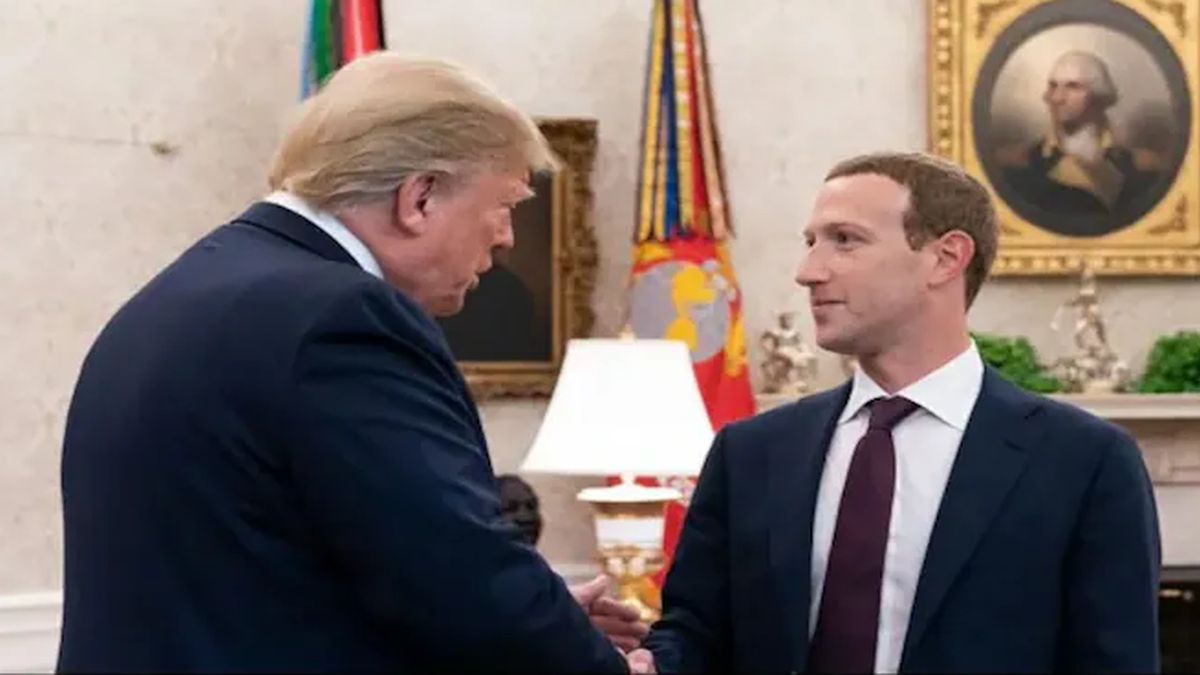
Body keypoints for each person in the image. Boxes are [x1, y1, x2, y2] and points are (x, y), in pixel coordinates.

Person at [58, 52, 645, 672]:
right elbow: (453, 570)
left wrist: (539, 622)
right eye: (504, 205)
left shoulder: (190, 289)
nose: (506, 238)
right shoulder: (342, 318)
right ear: (420, 197)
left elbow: (275, 568)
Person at [630, 152, 1161, 673]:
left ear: (946, 258)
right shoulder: (751, 451)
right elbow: (694, 635)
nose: (807, 272)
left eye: (845, 240)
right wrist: (641, 661)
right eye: (811, 242)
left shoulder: (1084, 462)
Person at [998, 51, 1162, 225]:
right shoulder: (1017, 164)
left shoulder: (1144, 165)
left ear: (1099, 95)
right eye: (1053, 86)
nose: (1057, 98)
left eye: (1072, 86)